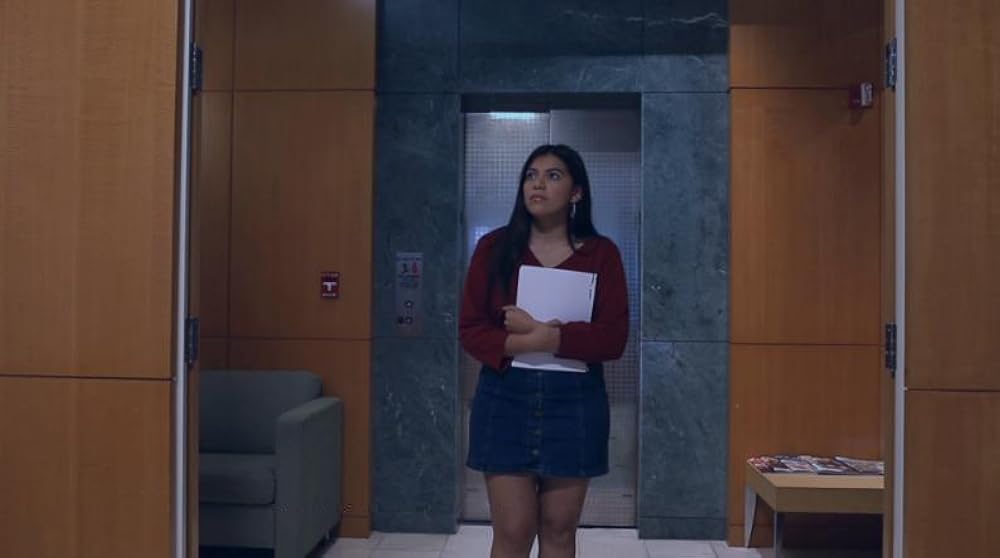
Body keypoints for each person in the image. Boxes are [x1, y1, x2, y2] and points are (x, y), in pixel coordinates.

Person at [459, 144, 629, 558]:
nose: (538, 184)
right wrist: (527, 342)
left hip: (575, 402)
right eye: (531, 175)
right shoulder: (494, 248)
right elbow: (471, 329)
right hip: (505, 397)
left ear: (576, 192)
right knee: (513, 531)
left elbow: (613, 338)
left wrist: (550, 337)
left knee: (559, 529)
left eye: (553, 176)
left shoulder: (601, 253)